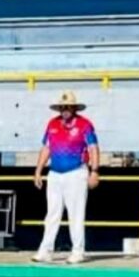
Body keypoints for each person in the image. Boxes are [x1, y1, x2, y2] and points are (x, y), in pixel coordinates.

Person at [33, 90, 100, 265]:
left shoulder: (85, 125)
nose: (65, 110)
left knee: (75, 214)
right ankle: (45, 250)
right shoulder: (52, 124)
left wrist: (94, 171)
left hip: (76, 172)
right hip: (55, 173)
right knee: (52, 213)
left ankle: (78, 251)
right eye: (62, 107)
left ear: (74, 108)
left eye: (68, 107)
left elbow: (93, 148)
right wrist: (38, 170)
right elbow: (46, 148)